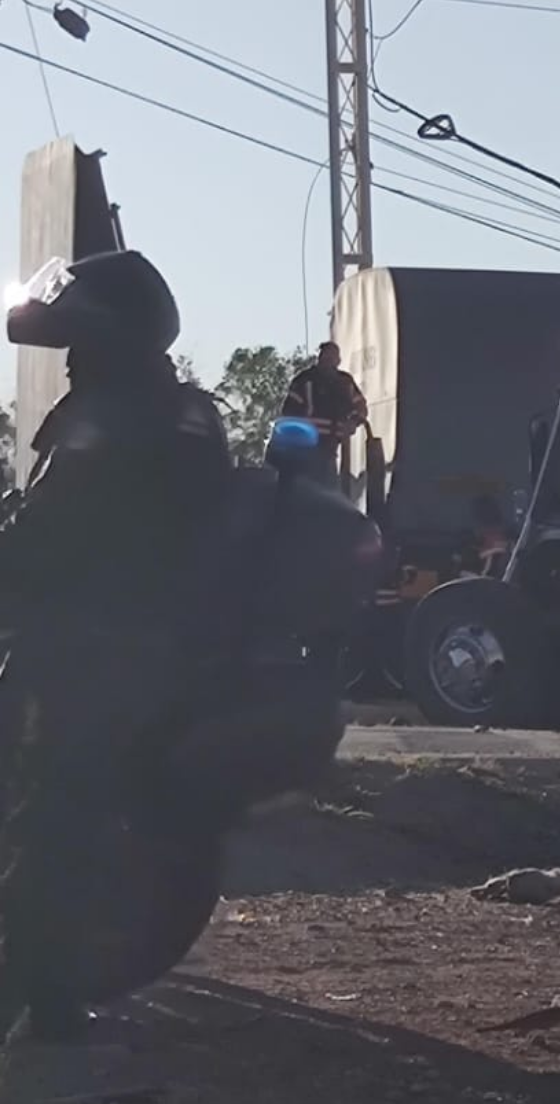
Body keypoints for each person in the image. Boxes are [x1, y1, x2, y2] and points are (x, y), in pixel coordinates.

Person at [0, 251, 234, 1042]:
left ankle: (41, 1003)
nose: (65, 358)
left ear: (110, 340)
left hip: (92, 650)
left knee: (50, 821)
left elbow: (49, 538)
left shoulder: (115, 419)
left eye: (76, 341)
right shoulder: (181, 412)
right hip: (143, 645)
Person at [281, 341, 368, 484]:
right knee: (312, 487)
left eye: (333, 357)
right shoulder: (305, 380)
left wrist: (353, 422)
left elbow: (361, 407)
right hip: (307, 449)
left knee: (330, 486)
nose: (329, 361)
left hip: (332, 446)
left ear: (339, 360)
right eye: (325, 357)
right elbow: (288, 412)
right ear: (319, 358)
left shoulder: (344, 382)